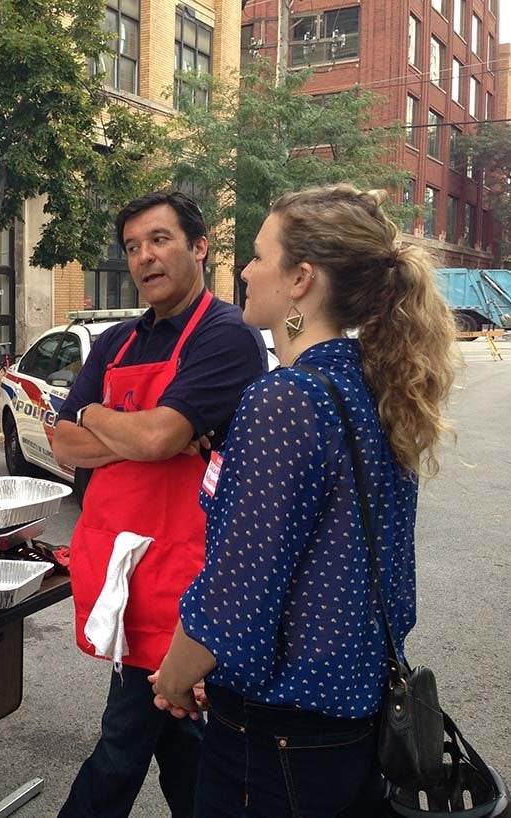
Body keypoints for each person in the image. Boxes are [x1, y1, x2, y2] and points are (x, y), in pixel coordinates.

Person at [150, 185, 459, 817]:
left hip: (276, 737)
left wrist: (175, 675)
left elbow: (237, 591)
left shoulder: (286, 397)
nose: (244, 269)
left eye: (260, 256)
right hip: (353, 719)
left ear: (301, 280)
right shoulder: (369, 384)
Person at [52, 190, 266, 818]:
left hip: (191, 589)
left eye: (160, 240)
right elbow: (65, 442)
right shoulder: (115, 340)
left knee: (154, 754)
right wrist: (129, 430)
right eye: (132, 247)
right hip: (125, 585)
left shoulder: (226, 336)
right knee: (156, 748)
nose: (144, 257)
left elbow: (161, 437)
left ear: (200, 247)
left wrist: (103, 416)